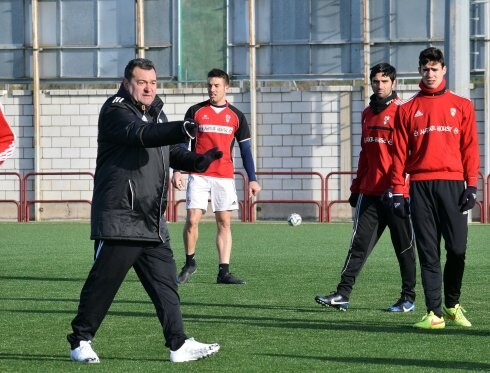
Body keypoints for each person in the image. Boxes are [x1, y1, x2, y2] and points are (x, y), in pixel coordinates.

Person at [67, 58, 223, 363]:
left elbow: (166, 149)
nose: (149, 88)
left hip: (151, 219)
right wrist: (183, 128)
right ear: (127, 84)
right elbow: (142, 136)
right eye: (142, 82)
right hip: (122, 216)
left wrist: (197, 161)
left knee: (166, 286)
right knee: (104, 283)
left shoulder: (154, 113)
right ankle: (80, 341)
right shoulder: (115, 110)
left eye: (153, 82)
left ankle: (178, 344)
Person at [314, 63, 417, 312]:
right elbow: (365, 154)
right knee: (358, 245)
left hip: (397, 194)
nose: (379, 86)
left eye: (384, 81)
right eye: (375, 81)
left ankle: (408, 298)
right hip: (369, 194)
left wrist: (398, 188)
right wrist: (356, 186)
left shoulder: (403, 111)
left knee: (403, 247)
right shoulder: (366, 114)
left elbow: (408, 155)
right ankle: (342, 294)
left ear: (394, 83)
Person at [390, 47, 480, 329]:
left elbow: (470, 147)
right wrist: (397, 191)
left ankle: (452, 304)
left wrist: (472, 184)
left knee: (456, 249)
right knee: (428, 251)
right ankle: (434, 314)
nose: (430, 74)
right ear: (420, 71)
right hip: (420, 186)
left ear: (444, 71)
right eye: (425, 69)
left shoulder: (462, 105)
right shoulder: (407, 109)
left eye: (435, 69)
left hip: (453, 185)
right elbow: (399, 155)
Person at [172, 68, 261, 285]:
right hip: (198, 175)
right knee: (192, 219)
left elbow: (246, 150)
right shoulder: (195, 111)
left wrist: (252, 178)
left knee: (224, 222)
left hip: (224, 177)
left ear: (226, 88)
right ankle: (190, 262)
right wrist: (177, 170)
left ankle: (224, 272)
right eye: (210, 85)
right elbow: (183, 144)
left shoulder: (237, 117)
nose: (212, 89)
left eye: (217, 85)